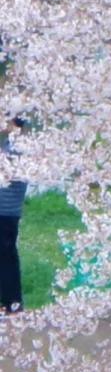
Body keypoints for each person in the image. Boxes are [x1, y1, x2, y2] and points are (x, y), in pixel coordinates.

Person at [0, 124, 28, 315]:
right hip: (6, 210)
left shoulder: (20, 145)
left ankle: (12, 303)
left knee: (6, 257)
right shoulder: (9, 143)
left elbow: (8, 174)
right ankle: (9, 302)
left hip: (5, 210)